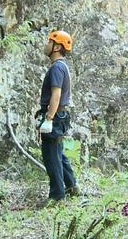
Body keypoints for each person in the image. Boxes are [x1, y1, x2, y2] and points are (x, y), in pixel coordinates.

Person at [36, 30, 78, 206]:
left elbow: (56, 94)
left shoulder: (57, 68)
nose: (46, 45)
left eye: (49, 42)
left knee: (51, 156)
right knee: (58, 153)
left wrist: (49, 118)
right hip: (60, 115)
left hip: (55, 116)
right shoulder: (62, 66)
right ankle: (71, 186)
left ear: (57, 47)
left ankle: (56, 196)